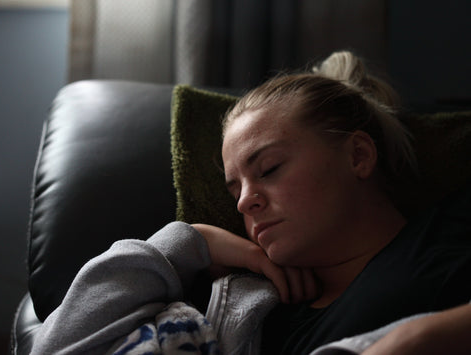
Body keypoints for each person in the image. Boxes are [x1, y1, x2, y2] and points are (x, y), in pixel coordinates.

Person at [30, 51, 471, 355]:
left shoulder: (449, 230)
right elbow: (54, 346)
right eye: (233, 188)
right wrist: (191, 241)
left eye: (270, 169)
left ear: (358, 156)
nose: (245, 202)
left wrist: (417, 340)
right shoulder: (250, 306)